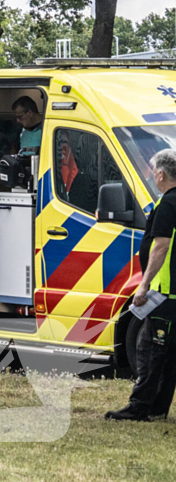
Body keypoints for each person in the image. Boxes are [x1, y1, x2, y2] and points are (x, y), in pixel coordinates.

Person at [106, 149, 176, 421]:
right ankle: (157, 408)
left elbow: (161, 246)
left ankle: (140, 407)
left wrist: (144, 285)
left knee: (150, 350)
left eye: (153, 171)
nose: (152, 175)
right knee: (168, 354)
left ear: (161, 174)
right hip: (171, 293)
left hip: (164, 291)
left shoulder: (168, 203)